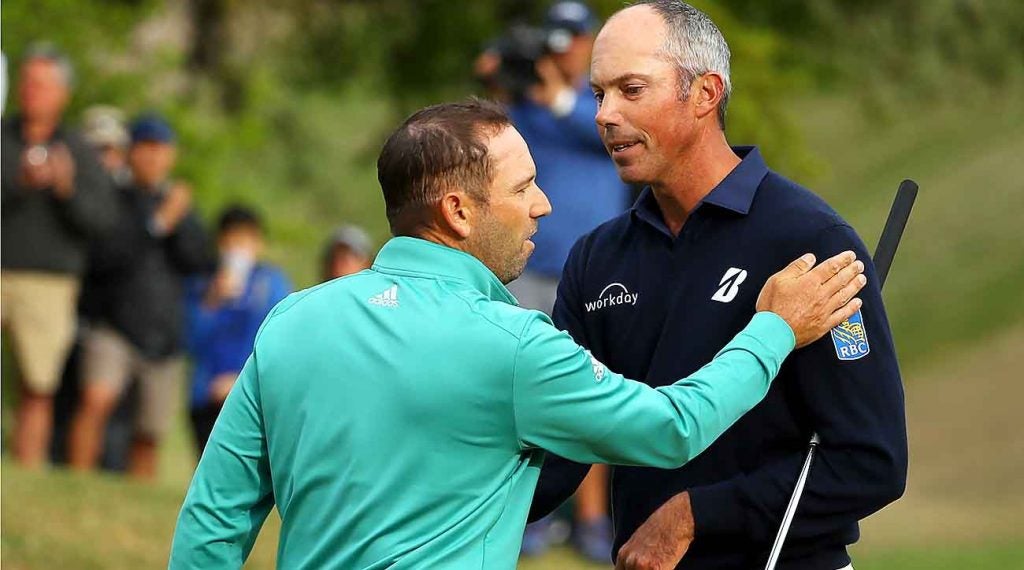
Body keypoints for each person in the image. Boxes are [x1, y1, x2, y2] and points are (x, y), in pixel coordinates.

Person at [169, 99, 867, 569]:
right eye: (523, 187)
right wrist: (773, 328)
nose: (544, 204)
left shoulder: (294, 321)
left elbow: (212, 524)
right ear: (458, 212)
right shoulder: (511, 346)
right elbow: (673, 428)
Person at [528, 3, 908, 569]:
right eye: (600, 93)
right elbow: (561, 450)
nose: (604, 115)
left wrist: (695, 515)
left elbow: (869, 462)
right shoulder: (597, 258)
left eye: (631, 90)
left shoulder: (811, 241)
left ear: (705, 93)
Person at [479, 3, 631, 558]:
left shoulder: (603, 98)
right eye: (554, 41)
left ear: (588, 41)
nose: (562, 51)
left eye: (571, 39)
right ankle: (529, 511)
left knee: (589, 390)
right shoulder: (522, 105)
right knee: (519, 389)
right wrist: (500, 82)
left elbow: (607, 134)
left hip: (594, 272)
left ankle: (591, 518)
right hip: (527, 268)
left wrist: (559, 97)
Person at [68, 113, 213, 479]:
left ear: (171, 156)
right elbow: (104, 256)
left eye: (160, 150)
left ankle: (137, 494)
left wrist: (176, 222)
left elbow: (200, 261)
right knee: (95, 402)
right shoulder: (113, 198)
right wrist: (157, 224)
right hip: (113, 324)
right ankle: (77, 480)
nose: (152, 158)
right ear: (131, 153)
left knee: (150, 432)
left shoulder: (180, 205)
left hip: (162, 332)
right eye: (145, 149)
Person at [1, 44, 117, 467]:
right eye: (27, 82)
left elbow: (102, 220)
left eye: (42, 84)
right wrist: (20, 182)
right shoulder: (4, 139)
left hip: (49, 283)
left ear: (62, 93)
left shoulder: (79, 151)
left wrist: (66, 189)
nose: (32, 92)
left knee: (38, 385)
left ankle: (26, 469)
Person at [185, 205, 291, 456]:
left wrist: (239, 380)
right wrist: (212, 300)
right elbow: (190, 340)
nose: (237, 250)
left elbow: (280, 340)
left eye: (244, 241)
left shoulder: (272, 284)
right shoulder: (202, 283)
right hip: (206, 397)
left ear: (258, 244)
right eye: (230, 242)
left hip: (253, 394)